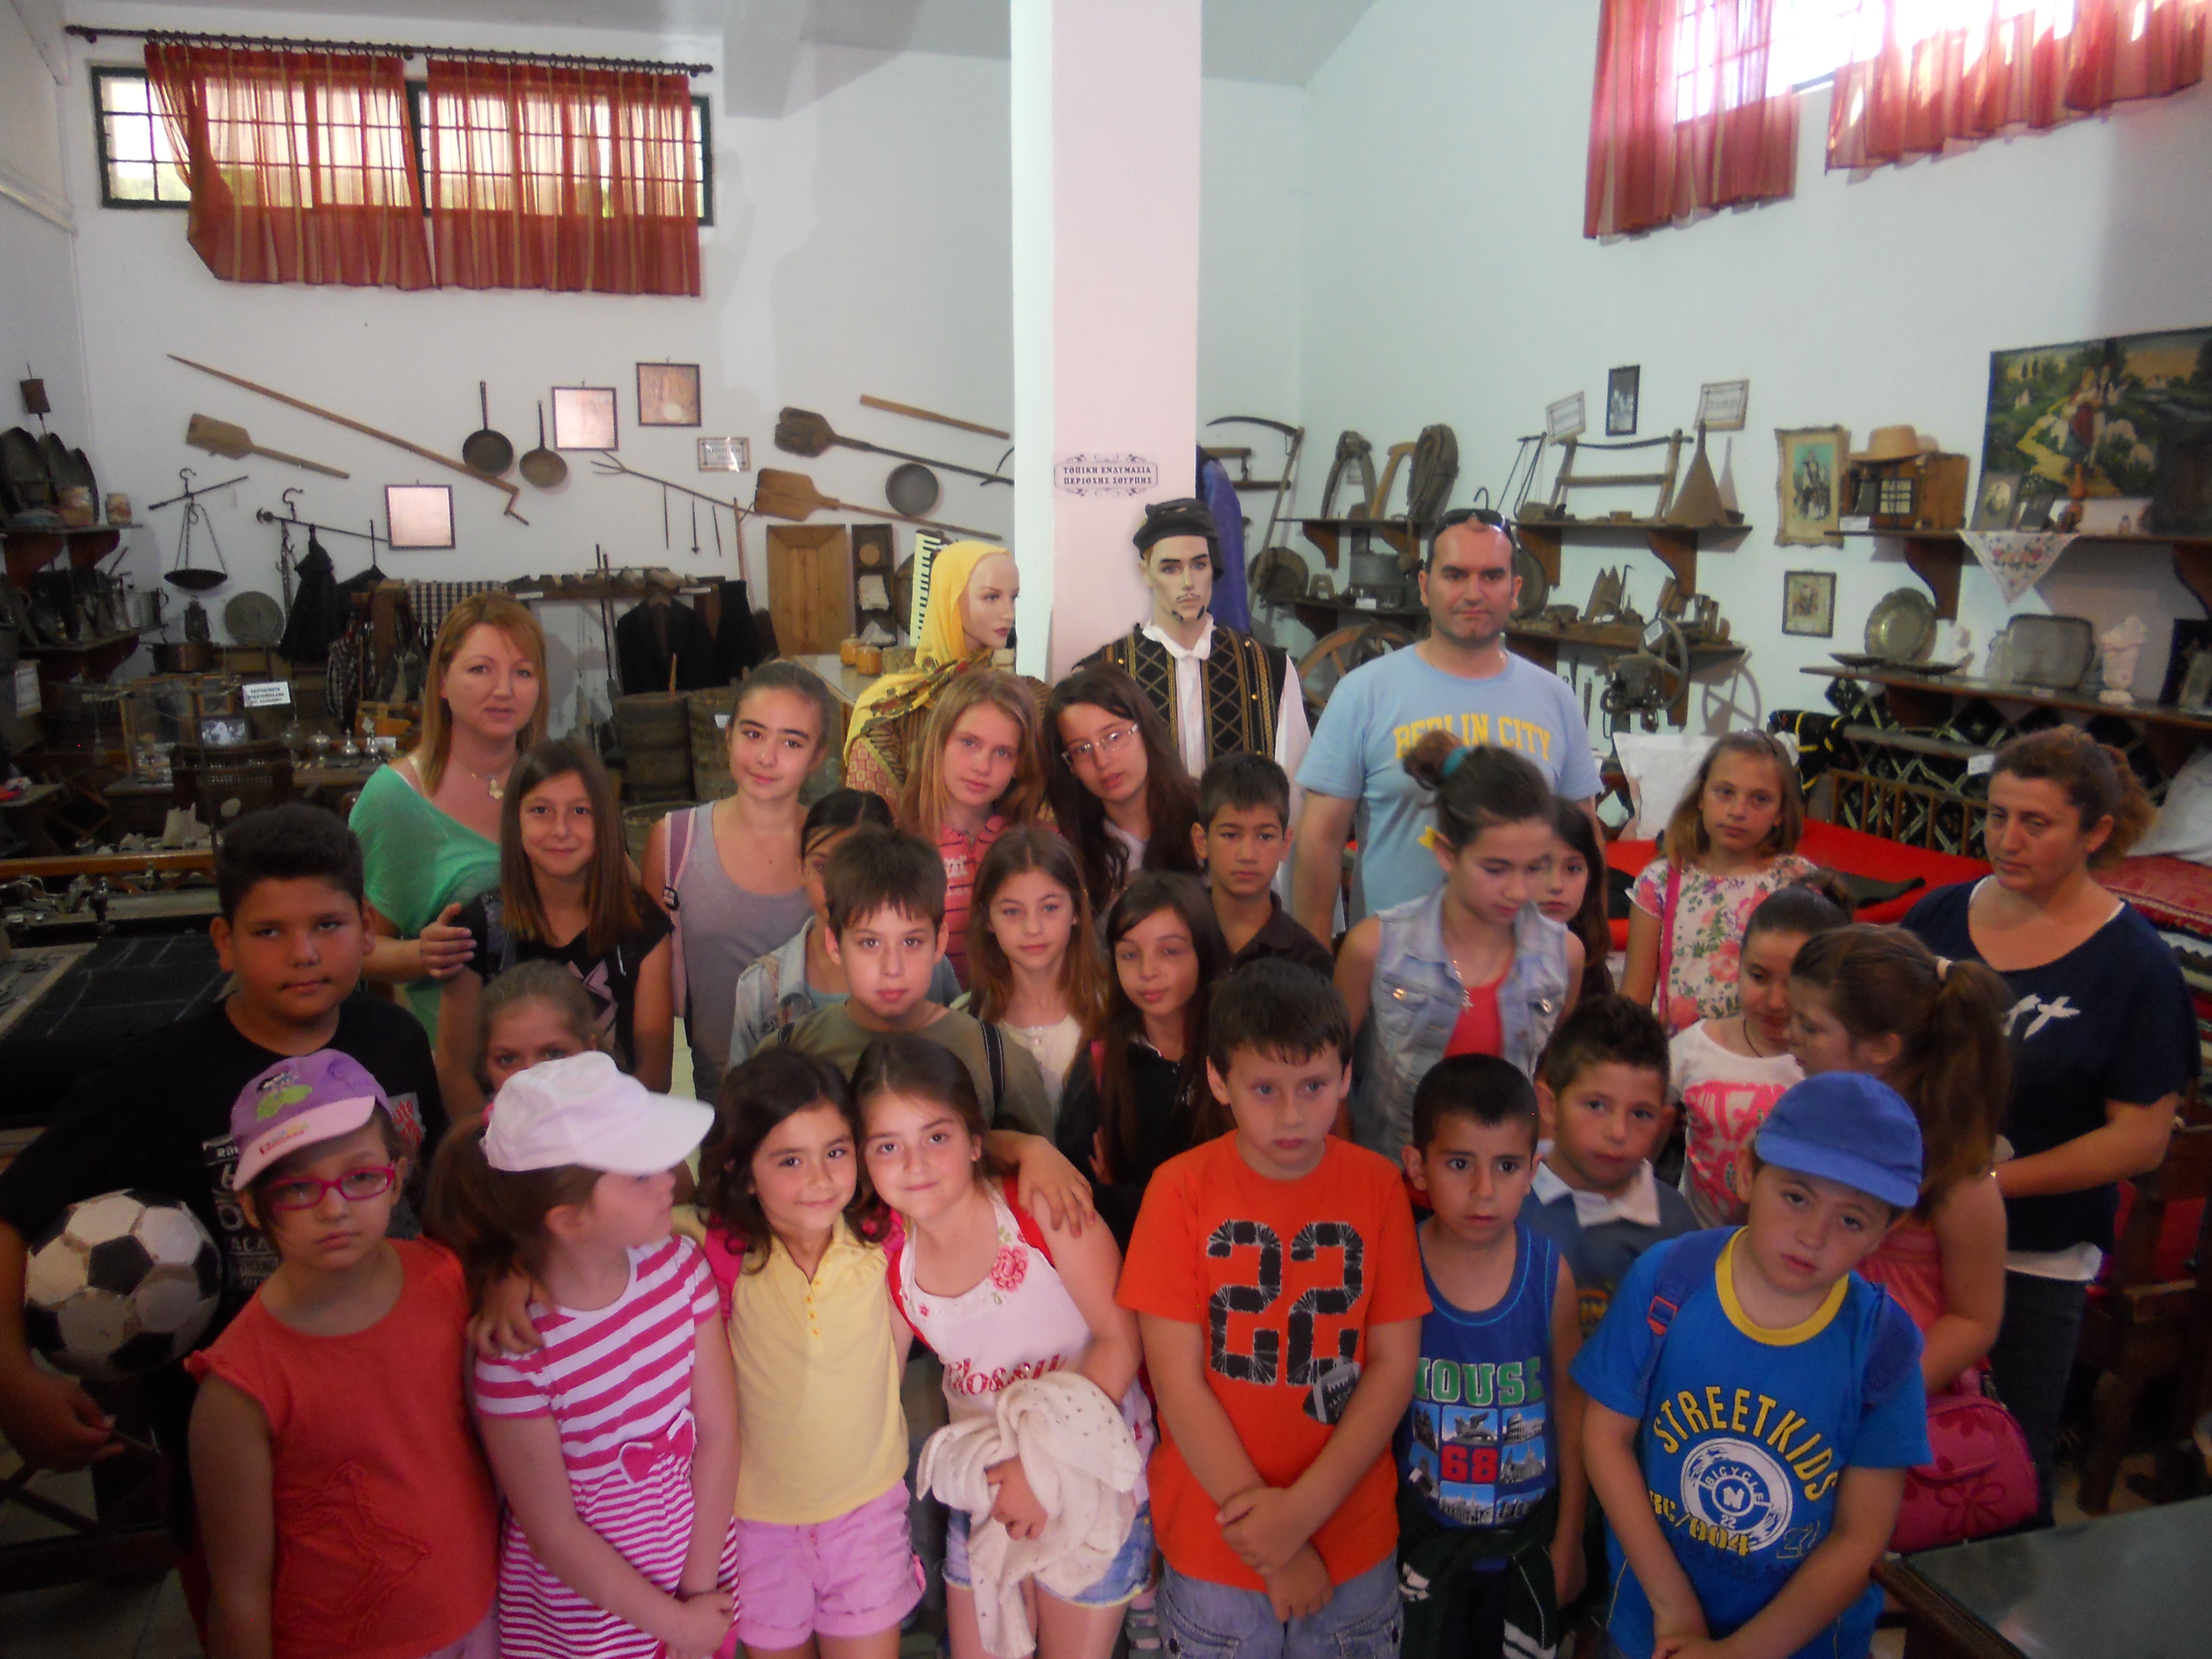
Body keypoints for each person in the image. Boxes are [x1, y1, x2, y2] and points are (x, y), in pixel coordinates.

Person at [0, 806, 446, 1589]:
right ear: (224, 942)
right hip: (240, 1447)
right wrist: (12, 1381)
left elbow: (436, 1202)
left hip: (403, 1409)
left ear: (367, 930)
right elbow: (12, 1212)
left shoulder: (395, 1041)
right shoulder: (157, 1077)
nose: (304, 953)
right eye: (269, 931)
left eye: (329, 925)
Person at [1902, 728, 2194, 1518]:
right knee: (1890, 1436)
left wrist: (1982, 1185)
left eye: (2036, 823)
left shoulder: (2135, 965)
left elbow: (2139, 1139)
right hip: (1905, 1230)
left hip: (2032, 1253)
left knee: (2002, 1463)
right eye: (1997, 815)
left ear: (2095, 833)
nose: (2007, 839)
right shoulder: (1938, 916)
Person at [1119, 959, 1426, 1655]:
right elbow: (1177, 1383)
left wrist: (1299, 1518)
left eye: (1313, 1086)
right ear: (1218, 1081)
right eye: (1264, 1089)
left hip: (1350, 1539)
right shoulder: (1178, 1190)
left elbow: (1392, 1369)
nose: (1291, 1115)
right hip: (1216, 1543)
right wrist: (1275, 1548)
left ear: (1346, 1076)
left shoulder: (1378, 1188)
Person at [1573, 1073, 1931, 1659]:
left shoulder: (1882, 1346)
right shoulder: (1667, 1281)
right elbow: (1605, 1440)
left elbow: (1858, 1538)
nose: (1813, 1236)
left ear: (1884, 1231)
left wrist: (1740, 1653)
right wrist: (1671, 1604)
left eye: (1851, 1220)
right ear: (1746, 1170)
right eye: (1796, 1197)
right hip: (1651, 1625)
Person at [428, 1055, 740, 1659]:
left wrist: (697, 1595)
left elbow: (720, 1433)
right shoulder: (518, 1353)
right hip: (586, 1631)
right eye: (640, 1173)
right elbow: (553, 1531)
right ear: (568, 1219)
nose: (670, 1179)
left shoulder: (682, 1271)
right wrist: (674, 1624)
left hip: (699, 1585)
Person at [189, 1052, 498, 1659]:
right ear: (250, 1206)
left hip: (483, 1613)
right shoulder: (239, 1387)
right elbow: (239, 1591)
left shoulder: (450, 1280)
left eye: (360, 1177)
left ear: (398, 1176)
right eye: (297, 1187)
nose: (334, 1209)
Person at [860, 1036, 1154, 1659]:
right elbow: (874, 1387)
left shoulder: (1035, 1207)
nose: (915, 1163)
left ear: (975, 1140)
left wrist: (1039, 1468)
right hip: (986, 1492)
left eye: (936, 1137)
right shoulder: (889, 1251)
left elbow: (1120, 1336)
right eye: (888, 1147)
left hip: (1089, 1475)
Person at [1788, 925, 2023, 1543]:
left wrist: (1877, 1396)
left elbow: (1975, 1319)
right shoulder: (1805, 1129)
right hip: (1798, 1382)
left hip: (1890, 1401)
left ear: (1881, 1048)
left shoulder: (1955, 1174)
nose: (1791, 1039)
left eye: (1811, 1027)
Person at [691, 1050, 924, 1659]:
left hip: (866, 1516)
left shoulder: (886, 1234)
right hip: (755, 1525)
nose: (820, 1179)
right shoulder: (714, 1252)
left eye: (836, 1152)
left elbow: (960, 1154)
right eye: (790, 1160)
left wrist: (1035, 1149)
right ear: (743, 1172)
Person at [1293, 512, 1600, 937]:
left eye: (1492, 576)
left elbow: (1586, 841)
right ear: (1425, 586)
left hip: (1523, 966)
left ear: (1515, 590)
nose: (1474, 593)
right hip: (1392, 965)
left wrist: (1589, 949)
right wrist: (1314, 959)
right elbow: (1318, 841)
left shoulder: (1556, 699)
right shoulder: (1363, 694)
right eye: (1455, 575)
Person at [1394, 1055, 1585, 1659]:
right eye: (1459, 1164)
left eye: (1506, 1166)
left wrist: (1570, 1538)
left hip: (1526, 1549)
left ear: (1533, 1170)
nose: (1484, 1191)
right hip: (1421, 1550)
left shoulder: (1549, 1276)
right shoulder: (1397, 1267)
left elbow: (1572, 1413)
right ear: (1417, 1166)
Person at [1336, 735, 1582, 1160]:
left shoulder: (1564, 956)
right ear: (1447, 853)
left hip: (1504, 1180)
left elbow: (1550, 1070)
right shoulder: (1375, 948)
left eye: (1535, 868)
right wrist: (1351, 1172)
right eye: (1496, 869)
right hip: (1393, 1173)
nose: (1518, 890)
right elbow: (1329, 1072)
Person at [436, 740, 674, 1116]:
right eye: (541, 811)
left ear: (605, 821)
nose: (560, 830)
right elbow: (454, 1068)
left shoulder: (643, 926)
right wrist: (494, 1140)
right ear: (515, 820)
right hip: (504, 1137)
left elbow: (654, 1073)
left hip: (614, 1131)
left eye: (580, 811)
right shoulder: (479, 927)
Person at [352, 592, 549, 1040]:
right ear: (442, 681)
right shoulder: (396, 798)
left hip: (567, 1040)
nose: (504, 690)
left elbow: (624, 896)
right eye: (481, 669)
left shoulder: (557, 782)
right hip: (461, 1051)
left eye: (523, 672)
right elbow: (351, 946)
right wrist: (420, 956)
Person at [770, 828, 1053, 1134]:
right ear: (835, 945)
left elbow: (1039, 1163)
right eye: (870, 943)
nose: (892, 968)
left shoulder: (997, 1060)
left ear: (939, 942)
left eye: (911, 942)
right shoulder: (788, 1053)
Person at [645, 661, 841, 1099]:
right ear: (729, 734)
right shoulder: (675, 842)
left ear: (817, 756)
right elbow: (652, 992)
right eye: (753, 734)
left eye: (792, 742)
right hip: (722, 1096)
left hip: (825, 1092)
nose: (767, 757)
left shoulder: (839, 851)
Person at [1056, 874, 1232, 1247]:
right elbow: (1081, 1197)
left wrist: (1125, 1194)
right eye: (1130, 955)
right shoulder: (1101, 1063)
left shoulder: (1238, 1052)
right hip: (1134, 1258)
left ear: (1204, 952)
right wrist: (1112, 1197)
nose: (1147, 971)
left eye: (1169, 952)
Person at [1079, 497, 1310, 782]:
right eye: (1170, 568)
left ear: (1213, 568)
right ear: (1146, 573)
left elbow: (1294, 785)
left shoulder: (1270, 668)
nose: (1188, 582)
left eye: (1199, 565)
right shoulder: (1102, 673)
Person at [728, 790, 961, 1069]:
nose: (838, 885)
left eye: (861, 866)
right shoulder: (762, 987)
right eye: (823, 866)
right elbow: (743, 1088)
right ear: (801, 868)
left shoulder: (933, 969)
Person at [1668, 877, 1851, 1228]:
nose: (1775, 1002)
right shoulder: (1695, 1047)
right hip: (1697, 1241)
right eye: (1759, 976)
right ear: (1737, 965)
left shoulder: (1842, 1069)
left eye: (1794, 983)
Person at [1624, 732, 1819, 1036]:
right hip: (1676, 1054)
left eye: (1760, 799)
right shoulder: (1660, 881)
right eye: (1725, 792)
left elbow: (1817, 992)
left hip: (1766, 1052)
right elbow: (1634, 997)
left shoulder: (1798, 882)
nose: (1738, 811)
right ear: (1701, 797)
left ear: (1781, 812)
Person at [1523, 995, 1693, 1337]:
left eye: (1641, 1114)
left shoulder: (1678, 1227)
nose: (1618, 1133)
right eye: (1596, 1106)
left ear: (1664, 1121)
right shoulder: (1506, 1206)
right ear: (1549, 1105)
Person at [845, 540, 1034, 800]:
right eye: (991, 597)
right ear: (951, 600)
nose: (1008, 614)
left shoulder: (1020, 698)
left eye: (1013, 598)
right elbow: (869, 814)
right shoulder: (890, 708)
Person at [899, 669, 1050, 990]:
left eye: (1003, 752)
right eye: (969, 743)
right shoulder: (901, 847)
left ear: (1020, 764)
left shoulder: (1041, 845)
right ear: (939, 742)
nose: (982, 766)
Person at [966, 827, 1108, 1121]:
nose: (1033, 928)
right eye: (1012, 912)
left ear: (1077, 909)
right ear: (988, 918)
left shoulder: (1112, 1006)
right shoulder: (969, 1017)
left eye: (1049, 908)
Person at [1046, 665, 1203, 914]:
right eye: (1082, 749)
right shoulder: (1067, 851)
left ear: (1145, 731)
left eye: (1114, 737)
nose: (1102, 761)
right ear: (1070, 765)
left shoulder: (1205, 815)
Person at [1192, 753, 1334, 977]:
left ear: (1285, 843)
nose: (1248, 855)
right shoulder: (1175, 938)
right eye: (1230, 835)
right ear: (1201, 841)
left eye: (1265, 836)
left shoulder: (1309, 961)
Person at [477, 961, 609, 1103]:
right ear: (486, 1067)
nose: (531, 1079)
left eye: (554, 1055)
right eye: (508, 1060)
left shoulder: (625, 1114)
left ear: (590, 1052)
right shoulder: (488, 1118)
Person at [1542, 797, 1614, 1005]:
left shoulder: (1592, 968)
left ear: (1591, 877)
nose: (1556, 885)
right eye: (1540, 866)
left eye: (1573, 868)